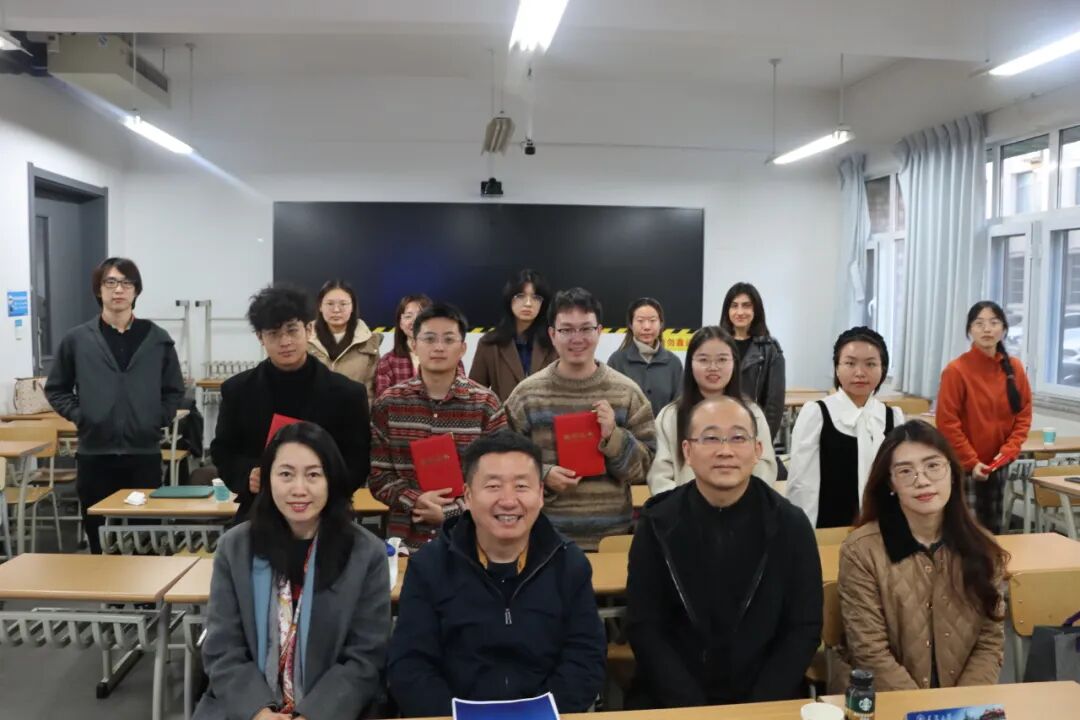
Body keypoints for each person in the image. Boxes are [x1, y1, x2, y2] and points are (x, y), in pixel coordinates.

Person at [387, 431, 606, 717]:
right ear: (467, 495)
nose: (508, 500)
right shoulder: (429, 566)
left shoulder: (569, 564)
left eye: (521, 486)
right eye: (493, 486)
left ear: (541, 494)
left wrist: (544, 713)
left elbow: (585, 659)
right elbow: (410, 665)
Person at [626, 396, 822, 708]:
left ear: (758, 450)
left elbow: (804, 627)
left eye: (738, 438)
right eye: (711, 438)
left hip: (765, 700)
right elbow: (644, 625)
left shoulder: (790, 524)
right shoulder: (657, 523)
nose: (725, 451)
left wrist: (758, 705)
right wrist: (692, 706)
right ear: (687, 451)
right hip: (672, 699)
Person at [195, 422, 391, 720]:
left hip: (335, 710)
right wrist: (259, 712)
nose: (299, 489)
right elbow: (223, 646)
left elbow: (366, 656)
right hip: (245, 709)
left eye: (313, 475)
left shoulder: (366, 554)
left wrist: (314, 715)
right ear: (267, 479)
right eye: (286, 474)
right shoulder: (234, 548)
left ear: (332, 480)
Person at [833, 420, 1008, 691]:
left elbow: (989, 642)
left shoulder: (982, 547)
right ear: (890, 483)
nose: (922, 481)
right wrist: (923, 709)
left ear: (952, 473)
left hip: (963, 705)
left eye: (933, 466)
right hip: (885, 700)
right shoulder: (862, 551)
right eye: (906, 471)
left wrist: (962, 706)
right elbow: (869, 651)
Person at [45, 257, 184, 554]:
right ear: (99, 289)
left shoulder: (157, 339)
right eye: (110, 282)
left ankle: (146, 585)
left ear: (136, 290)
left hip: (143, 453)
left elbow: (174, 390)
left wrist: (157, 417)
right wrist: (82, 415)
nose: (118, 289)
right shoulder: (77, 339)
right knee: (100, 536)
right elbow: (56, 388)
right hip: (95, 454)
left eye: (126, 283)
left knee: (145, 537)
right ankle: (106, 585)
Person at [503, 287, 655, 551]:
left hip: (612, 540)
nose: (577, 338)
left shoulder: (627, 393)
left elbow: (644, 470)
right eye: (566, 330)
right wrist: (543, 474)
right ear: (552, 334)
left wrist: (614, 437)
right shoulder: (526, 396)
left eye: (586, 328)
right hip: (543, 541)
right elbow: (503, 463)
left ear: (599, 331)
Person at [211, 285, 370, 518]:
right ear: (260, 338)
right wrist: (248, 475)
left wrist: (320, 483)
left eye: (292, 330)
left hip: (327, 512)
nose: (285, 341)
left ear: (309, 330)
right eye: (273, 334)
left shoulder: (347, 394)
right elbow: (223, 451)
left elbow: (358, 460)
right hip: (261, 508)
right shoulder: (238, 391)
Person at [369, 303, 506, 551]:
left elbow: (498, 478)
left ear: (463, 348)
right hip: (405, 543)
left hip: (470, 542)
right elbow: (379, 476)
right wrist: (416, 500)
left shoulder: (486, 404)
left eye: (449, 339)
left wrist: (452, 510)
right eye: (429, 339)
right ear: (414, 344)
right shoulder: (389, 404)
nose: (439, 347)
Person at [787, 326, 904, 529]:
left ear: (883, 369)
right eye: (850, 363)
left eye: (870, 364)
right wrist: (803, 533)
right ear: (836, 368)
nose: (860, 372)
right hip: (830, 528)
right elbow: (802, 484)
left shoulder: (893, 417)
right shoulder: (817, 413)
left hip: (882, 528)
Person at [936, 301, 1032, 533]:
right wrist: (971, 461)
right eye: (979, 323)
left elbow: (1023, 415)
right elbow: (947, 423)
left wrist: (1007, 452)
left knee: (994, 529)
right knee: (967, 531)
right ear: (970, 330)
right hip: (965, 464)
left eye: (994, 323)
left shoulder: (1015, 368)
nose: (987, 329)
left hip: (998, 463)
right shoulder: (956, 370)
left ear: (1004, 329)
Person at [647, 326, 777, 494]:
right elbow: (659, 476)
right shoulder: (671, 416)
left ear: (734, 363)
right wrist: (683, 505)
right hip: (684, 508)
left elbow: (765, 466)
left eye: (722, 359)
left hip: (743, 506)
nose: (713, 367)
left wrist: (743, 503)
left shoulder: (751, 413)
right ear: (691, 363)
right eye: (703, 360)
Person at [469, 269, 558, 401]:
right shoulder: (489, 343)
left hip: (546, 413)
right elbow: (475, 394)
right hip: (503, 413)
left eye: (535, 297)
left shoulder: (554, 341)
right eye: (520, 296)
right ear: (509, 299)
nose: (528, 303)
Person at [720, 282, 786, 443]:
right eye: (734, 306)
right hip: (718, 428)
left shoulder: (770, 349)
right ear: (727, 310)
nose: (740, 312)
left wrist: (763, 440)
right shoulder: (716, 344)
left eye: (746, 306)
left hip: (753, 431)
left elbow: (774, 404)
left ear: (756, 310)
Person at [308, 279, 383, 403]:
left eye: (343, 304)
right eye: (330, 304)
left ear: (352, 306)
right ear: (320, 306)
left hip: (355, 412)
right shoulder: (305, 339)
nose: (336, 310)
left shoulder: (369, 342)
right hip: (312, 413)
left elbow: (371, 390)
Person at [606, 297, 683, 417]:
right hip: (627, 429)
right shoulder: (616, 361)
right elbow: (611, 404)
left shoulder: (673, 363)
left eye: (652, 320)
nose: (647, 326)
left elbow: (679, 406)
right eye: (640, 321)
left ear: (661, 323)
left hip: (664, 429)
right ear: (630, 324)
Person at [374, 294, 430, 399]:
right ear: (401, 324)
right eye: (408, 316)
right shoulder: (387, 361)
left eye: (421, 315)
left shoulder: (448, 357)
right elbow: (382, 402)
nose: (415, 321)